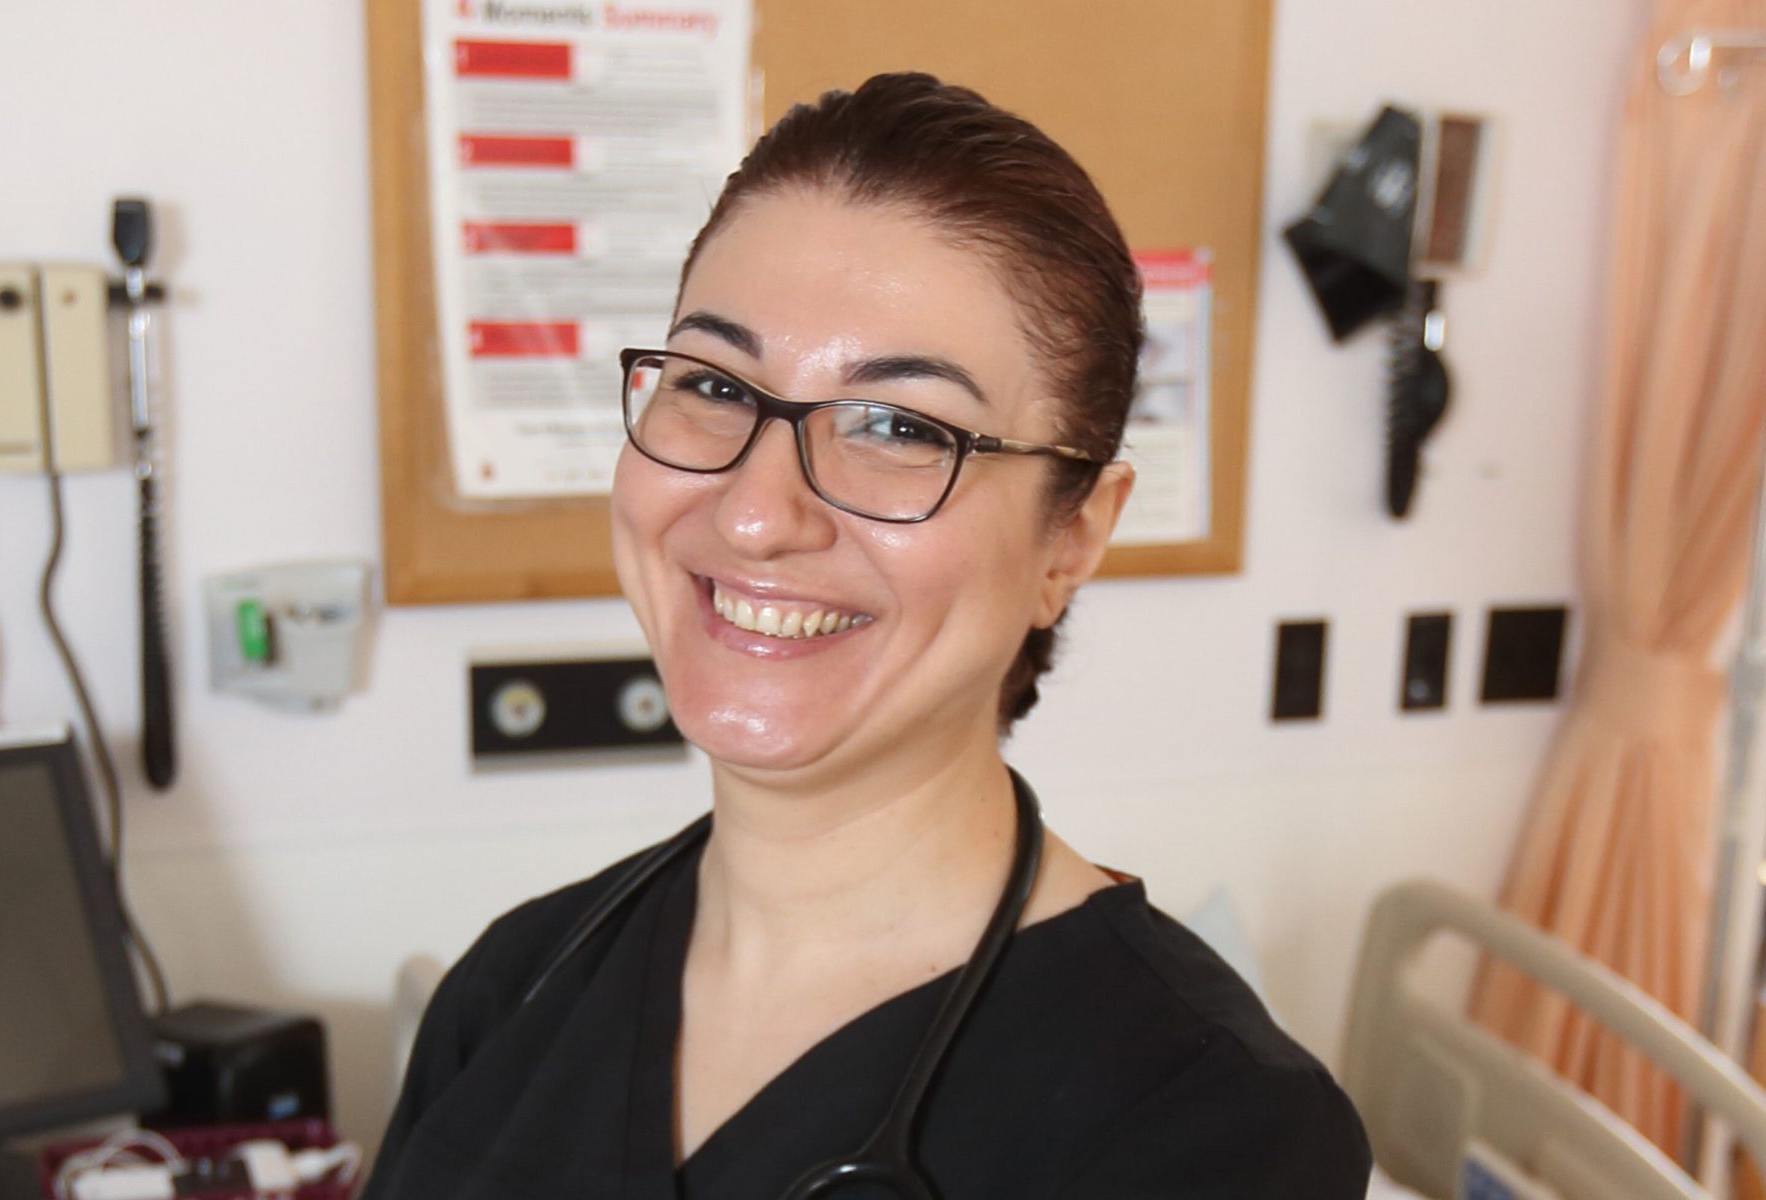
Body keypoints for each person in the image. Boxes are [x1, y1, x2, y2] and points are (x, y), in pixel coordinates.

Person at [364, 72, 1373, 1198]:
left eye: (897, 425)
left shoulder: (1209, 1128)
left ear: (1071, 537)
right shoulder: (515, 988)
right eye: (711, 382)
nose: (754, 511)